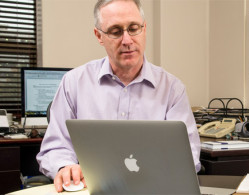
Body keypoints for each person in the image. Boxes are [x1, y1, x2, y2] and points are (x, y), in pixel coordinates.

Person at [36, 0, 201, 192]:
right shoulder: (73, 83)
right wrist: (65, 167)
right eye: (115, 31)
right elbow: (54, 147)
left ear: (144, 28)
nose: (127, 40)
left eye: (133, 28)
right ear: (99, 35)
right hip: (91, 190)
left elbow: (187, 155)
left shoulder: (172, 89)